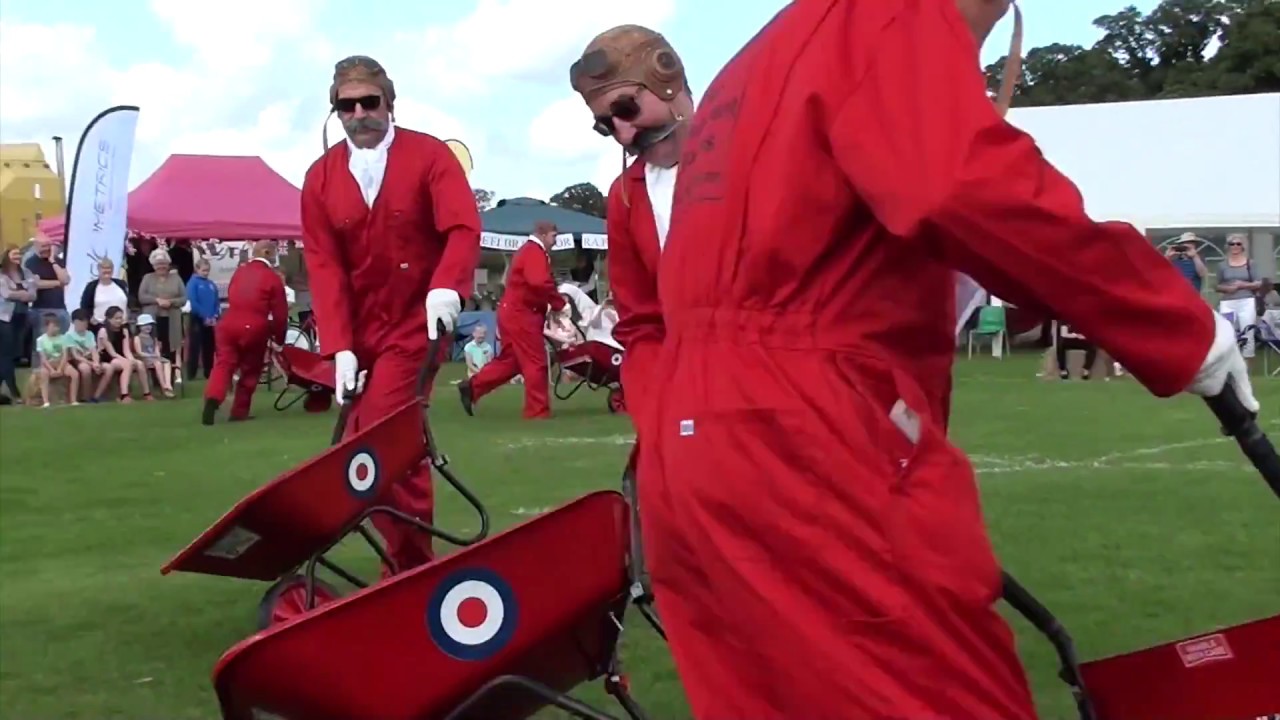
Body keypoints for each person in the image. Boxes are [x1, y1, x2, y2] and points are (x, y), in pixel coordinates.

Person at [641, 2, 1258, 718]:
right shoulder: (891, 16)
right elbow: (960, 185)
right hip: (806, 429)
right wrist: (1177, 325)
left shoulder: (762, 57)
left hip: (699, 439)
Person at [301, 55, 480, 574]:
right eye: (346, 106)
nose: (359, 114)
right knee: (368, 441)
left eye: (368, 102)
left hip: (415, 324)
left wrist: (447, 287)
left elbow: (462, 229)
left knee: (383, 434)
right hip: (361, 331)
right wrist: (338, 348)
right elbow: (324, 265)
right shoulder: (320, 177)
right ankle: (410, 559)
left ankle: (408, 566)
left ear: (390, 102)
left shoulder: (429, 157)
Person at [569, 24, 693, 432]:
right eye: (606, 124)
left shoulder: (753, 154)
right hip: (683, 395)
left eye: (626, 109)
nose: (624, 133)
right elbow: (640, 321)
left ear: (667, 78)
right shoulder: (625, 196)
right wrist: (654, 406)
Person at [459, 221, 566, 419]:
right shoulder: (534, 252)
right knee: (536, 362)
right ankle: (537, 411)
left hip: (513, 312)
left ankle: (473, 387)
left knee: (512, 361)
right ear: (543, 235)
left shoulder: (528, 251)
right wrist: (558, 303)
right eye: (554, 237)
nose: (555, 241)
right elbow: (539, 283)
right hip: (522, 315)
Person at [202, 241, 288, 425]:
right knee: (250, 369)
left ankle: (213, 397)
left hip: (228, 323)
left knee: (224, 364)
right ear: (266, 253)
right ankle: (239, 410)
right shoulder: (271, 278)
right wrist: (279, 337)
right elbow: (280, 313)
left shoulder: (240, 272)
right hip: (254, 326)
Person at [137, 248, 187, 368]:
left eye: (164, 263)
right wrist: (157, 300)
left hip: (172, 318)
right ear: (153, 265)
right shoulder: (147, 278)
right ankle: (156, 375)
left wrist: (171, 302)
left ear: (168, 264)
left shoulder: (176, 278)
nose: (161, 266)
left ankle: (171, 372)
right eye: (158, 264)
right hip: (154, 318)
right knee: (155, 345)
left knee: (171, 346)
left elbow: (184, 298)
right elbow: (141, 297)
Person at [0, 245, 37, 402]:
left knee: (15, 354)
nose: (17, 257)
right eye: (14, 255)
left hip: (22, 317)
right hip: (5, 318)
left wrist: (21, 294)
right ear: (7, 256)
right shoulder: (2, 274)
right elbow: (5, 294)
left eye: (19, 255)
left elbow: (33, 294)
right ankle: (15, 392)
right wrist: (23, 293)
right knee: (6, 355)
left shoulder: (26, 272)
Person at [1216, 232, 1262, 358]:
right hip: (1228, 302)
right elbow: (1217, 285)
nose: (1235, 246)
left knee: (1248, 331)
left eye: (1238, 244)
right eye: (1232, 244)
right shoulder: (1222, 265)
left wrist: (1243, 285)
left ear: (1242, 246)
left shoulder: (1250, 264)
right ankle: (1229, 363)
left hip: (1246, 301)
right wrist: (1227, 288)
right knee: (1228, 333)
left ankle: (1246, 366)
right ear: (1228, 246)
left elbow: (1258, 283)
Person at [97, 306, 148, 402]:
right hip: (108, 358)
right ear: (108, 319)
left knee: (139, 364)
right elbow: (112, 353)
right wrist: (127, 361)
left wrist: (131, 359)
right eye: (116, 318)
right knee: (127, 364)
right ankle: (124, 395)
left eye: (120, 318)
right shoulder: (103, 331)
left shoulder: (124, 330)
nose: (119, 321)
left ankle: (147, 393)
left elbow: (126, 350)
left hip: (120, 356)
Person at [186, 258, 221, 380]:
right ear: (197, 269)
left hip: (211, 319)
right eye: (203, 270)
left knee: (209, 346)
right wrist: (204, 316)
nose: (206, 273)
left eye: (207, 270)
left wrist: (214, 316)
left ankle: (208, 371)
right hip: (197, 318)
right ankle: (191, 373)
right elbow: (193, 301)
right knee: (195, 346)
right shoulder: (193, 283)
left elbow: (216, 301)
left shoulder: (211, 284)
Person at [35, 313, 78, 407]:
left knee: (74, 374)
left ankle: (73, 400)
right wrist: (51, 370)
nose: (57, 329)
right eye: (54, 326)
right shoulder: (40, 340)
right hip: (48, 364)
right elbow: (43, 358)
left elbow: (65, 355)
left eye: (58, 326)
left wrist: (59, 369)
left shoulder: (64, 338)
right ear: (47, 327)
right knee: (43, 374)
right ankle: (46, 401)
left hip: (61, 363)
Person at [78, 257, 130, 331]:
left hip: (122, 326)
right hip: (100, 327)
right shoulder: (91, 287)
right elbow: (84, 306)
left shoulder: (121, 284)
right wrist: (90, 318)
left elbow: (128, 302)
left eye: (109, 268)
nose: (107, 270)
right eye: (104, 268)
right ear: (98, 269)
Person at [65, 309, 106, 402]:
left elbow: (94, 350)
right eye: (79, 322)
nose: (82, 324)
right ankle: (85, 396)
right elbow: (75, 356)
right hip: (77, 360)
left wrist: (96, 362)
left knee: (108, 368)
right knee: (85, 369)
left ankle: (97, 395)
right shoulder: (69, 336)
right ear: (73, 322)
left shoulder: (89, 334)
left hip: (89, 358)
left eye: (84, 322)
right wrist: (92, 364)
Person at [133, 314, 176, 398]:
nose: (147, 327)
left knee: (167, 362)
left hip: (154, 358)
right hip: (144, 359)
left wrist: (157, 355)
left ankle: (168, 383)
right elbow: (139, 352)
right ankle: (163, 386)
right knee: (158, 363)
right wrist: (151, 356)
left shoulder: (153, 337)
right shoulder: (137, 338)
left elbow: (156, 349)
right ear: (139, 326)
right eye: (145, 325)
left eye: (149, 325)